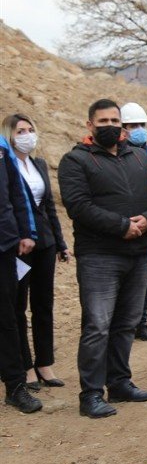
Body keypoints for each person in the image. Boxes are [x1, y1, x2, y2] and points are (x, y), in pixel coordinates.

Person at [58, 99, 147, 418]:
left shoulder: (140, 157)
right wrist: (121, 226)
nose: (110, 126)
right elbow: (78, 206)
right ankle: (90, 393)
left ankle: (119, 382)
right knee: (98, 325)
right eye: (103, 121)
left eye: (115, 120)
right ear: (90, 125)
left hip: (138, 253)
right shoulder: (76, 161)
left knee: (127, 323)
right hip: (99, 256)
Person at [2, 114, 70, 392]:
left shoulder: (38, 164)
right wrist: (19, 235)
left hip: (45, 242)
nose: (27, 135)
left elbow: (49, 206)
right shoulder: (6, 166)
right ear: (9, 134)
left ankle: (45, 363)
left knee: (44, 303)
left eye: (30, 129)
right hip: (19, 244)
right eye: (20, 131)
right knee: (17, 306)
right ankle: (25, 366)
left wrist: (60, 242)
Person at [0, 133, 41, 413]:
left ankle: (15, 387)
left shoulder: (2, 146)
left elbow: (17, 190)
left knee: (6, 318)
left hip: (3, 243)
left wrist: (26, 231)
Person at [120, 102, 147, 343]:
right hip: (123, 226)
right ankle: (124, 322)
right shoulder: (116, 155)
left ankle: (141, 322)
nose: (138, 129)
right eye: (132, 125)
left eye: (141, 125)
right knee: (124, 276)